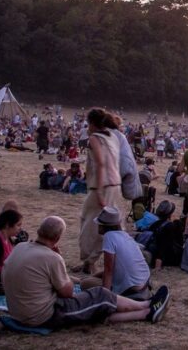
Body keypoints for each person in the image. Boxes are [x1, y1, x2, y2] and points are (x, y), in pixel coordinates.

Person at [3, 216, 170, 329]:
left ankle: (147, 309)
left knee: (95, 302)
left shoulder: (20, 247)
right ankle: (147, 307)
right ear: (58, 238)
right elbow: (67, 293)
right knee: (100, 297)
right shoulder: (51, 258)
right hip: (42, 316)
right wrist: (58, 258)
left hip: (18, 312)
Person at [78, 108, 124, 274]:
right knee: (106, 223)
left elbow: (100, 163)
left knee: (91, 225)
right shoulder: (113, 137)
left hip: (103, 185)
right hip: (114, 184)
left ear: (91, 123)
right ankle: (90, 261)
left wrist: (98, 190)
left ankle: (89, 262)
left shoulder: (95, 138)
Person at [81, 206, 152, 300]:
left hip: (131, 287)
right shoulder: (125, 235)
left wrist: (105, 296)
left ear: (104, 226)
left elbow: (109, 270)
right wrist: (93, 277)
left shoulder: (109, 237)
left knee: (84, 284)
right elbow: (114, 269)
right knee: (89, 279)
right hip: (144, 282)